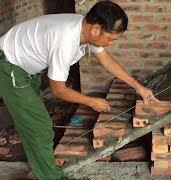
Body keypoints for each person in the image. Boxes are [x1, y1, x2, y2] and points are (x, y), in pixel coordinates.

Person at [0, 1, 158, 179]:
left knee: (31, 122)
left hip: (26, 64)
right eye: (111, 39)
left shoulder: (83, 27)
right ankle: (51, 177)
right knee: (41, 128)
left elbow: (107, 61)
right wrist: (91, 101)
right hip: (11, 67)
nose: (110, 43)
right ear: (96, 29)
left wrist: (138, 87)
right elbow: (58, 90)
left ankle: (41, 165)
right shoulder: (65, 40)